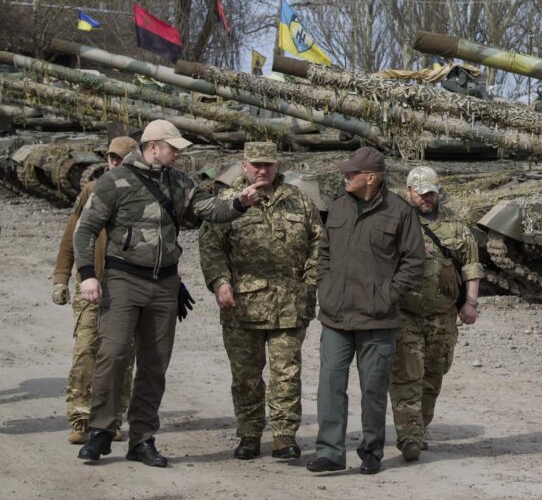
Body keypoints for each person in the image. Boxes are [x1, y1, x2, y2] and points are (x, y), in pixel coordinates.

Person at [74, 119, 264, 467]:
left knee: (155, 364)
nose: (177, 154)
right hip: (123, 280)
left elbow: (209, 210)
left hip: (164, 285)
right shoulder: (114, 182)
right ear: (153, 146)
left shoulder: (179, 181)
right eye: (173, 148)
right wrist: (87, 276)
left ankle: (142, 439)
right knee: (113, 354)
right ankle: (100, 431)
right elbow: (85, 230)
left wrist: (240, 203)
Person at [198, 142, 322, 461]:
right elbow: (211, 247)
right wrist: (220, 282)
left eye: (268, 164)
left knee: (286, 373)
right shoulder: (226, 202)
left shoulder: (298, 201)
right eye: (256, 164)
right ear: (244, 165)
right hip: (242, 306)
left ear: (277, 165)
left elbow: (318, 245)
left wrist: (309, 283)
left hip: (290, 303)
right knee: (246, 375)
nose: (263, 170)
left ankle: (284, 435)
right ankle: (250, 433)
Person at [307, 147, 425, 476]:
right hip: (336, 315)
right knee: (329, 384)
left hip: (377, 318)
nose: (345, 175)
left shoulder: (400, 212)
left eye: (351, 172)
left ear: (370, 177)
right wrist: (325, 285)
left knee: (373, 389)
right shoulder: (338, 205)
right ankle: (330, 451)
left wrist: (386, 295)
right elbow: (325, 250)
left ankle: (371, 450)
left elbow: (414, 263)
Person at [390, 166, 482, 462]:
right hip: (406, 313)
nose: (427, 198)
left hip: (443, 316)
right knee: (407, 374)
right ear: (409, 192)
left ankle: (422, 427)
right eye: (421, 192)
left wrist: (470, 303)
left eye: (431, 192)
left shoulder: (455, 225)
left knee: (432, 375)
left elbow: (471, 265)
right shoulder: (397, 224)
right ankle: (409, 436)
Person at [52, 136, 137, 444]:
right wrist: (62, 277)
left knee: (120, 357)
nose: (114, 164)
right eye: (111, 159)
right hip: (92, 285)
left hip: (128, 289)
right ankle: (82, 418)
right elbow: (72, 237)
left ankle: (112, 420)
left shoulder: (141, 191)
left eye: (121, 160)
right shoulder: (91, 190)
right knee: (86, 351)